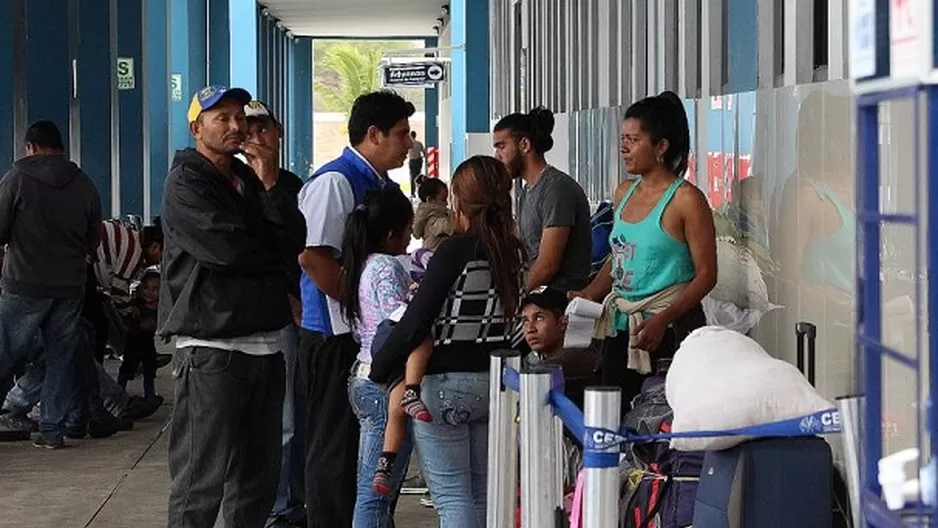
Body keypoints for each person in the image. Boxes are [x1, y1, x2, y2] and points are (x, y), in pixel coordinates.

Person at [371, 155, 526, 527]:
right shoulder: (513, 253)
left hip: (442, 386)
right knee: (482, 492)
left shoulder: (453, 252)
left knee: (452, 495)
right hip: (495, 386)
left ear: (458, 199)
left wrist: (380, 367)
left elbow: (416, 322)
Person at [161, 85, 291, 527]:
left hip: (265, 346)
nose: (237, 127)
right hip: (211, 349)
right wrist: (270, 250)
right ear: (197, 128)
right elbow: (227, 251)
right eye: (223, 119)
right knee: (201, 480)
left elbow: (292, 241)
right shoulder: (186, 182)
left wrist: (271, 181)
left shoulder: (250, 178)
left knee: (256, 481)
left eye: (241, 117)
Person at [297, 90, 415, 528]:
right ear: (373, 134)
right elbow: (313, 257)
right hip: (334, 334)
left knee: (366, 445)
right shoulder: (336, 183)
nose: (409, 144)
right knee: (333, 446)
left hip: (363, 337)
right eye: (402, 134)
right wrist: (360, 308)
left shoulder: (380, 184)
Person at [570, 91, 717, 412]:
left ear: (661, 146)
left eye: (633, 140)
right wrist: (590, 293)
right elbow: (619, 255)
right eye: (623, 139)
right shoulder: (623, 192)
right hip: (621, 327)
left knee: (660, 420)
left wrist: (663, 319)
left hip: (670, 330)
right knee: (615, 418)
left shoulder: (687, 200)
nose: (624, 148)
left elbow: (706, 276)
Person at [0, 121, 102, 448]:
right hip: (69, 286)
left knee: (5, 351)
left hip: (24, 283)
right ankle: (51, 431)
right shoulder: (84, 184)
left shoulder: (16, 180)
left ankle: (12, 408)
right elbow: (93, 239)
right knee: (61, 358)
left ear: (30, 146)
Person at [336, 188, 432, 502]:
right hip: (383, 377)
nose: (409, 240)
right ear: (391, 234)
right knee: (374, 496)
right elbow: (399, 320)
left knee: (374, 491)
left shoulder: (360, 264)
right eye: (407, 231)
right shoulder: (385, 267)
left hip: (363, 372)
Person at [243, 99, 308, 528]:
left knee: (290, 416)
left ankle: (285, 505)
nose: (255, 136)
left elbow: (296, 245)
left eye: (262, 127)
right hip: (237, 317)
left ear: (278, 130)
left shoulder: (291, 185)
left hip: (286, 311)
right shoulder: (223, 184)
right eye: (246, 128)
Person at [493, 107, 592, 292]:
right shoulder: (526, 191)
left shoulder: (556, 189)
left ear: (524, 145)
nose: (497, 156)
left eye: (501, 146)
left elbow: (547, 266)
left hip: (558, 303)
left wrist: (513, 299)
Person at [519, 286, 600, 409]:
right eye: (525, 321)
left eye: (539, 318)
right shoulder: (533, 359)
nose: (530, 329)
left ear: (563, 322)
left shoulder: (576, 360)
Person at [116, 270, 159, 397]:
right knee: (127, 367)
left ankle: (150, 395)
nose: (149, 292)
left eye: (155, 289)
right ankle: (118, 392)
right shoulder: (135, 305)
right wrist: (138, 321)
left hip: (148, 343)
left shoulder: (159, 308)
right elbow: (128, 319)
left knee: (150, 368)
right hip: (133, 341)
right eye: (146, 287)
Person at [408, 132, 426, 197]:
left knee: (412, 177)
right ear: (415, 136)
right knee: (418, 176)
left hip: (412, 161)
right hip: (418, 161)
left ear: (411, 136)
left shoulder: (409, 143)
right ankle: (420, 191)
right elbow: (424, 152)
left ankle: (412, 193)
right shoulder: (419, 143)